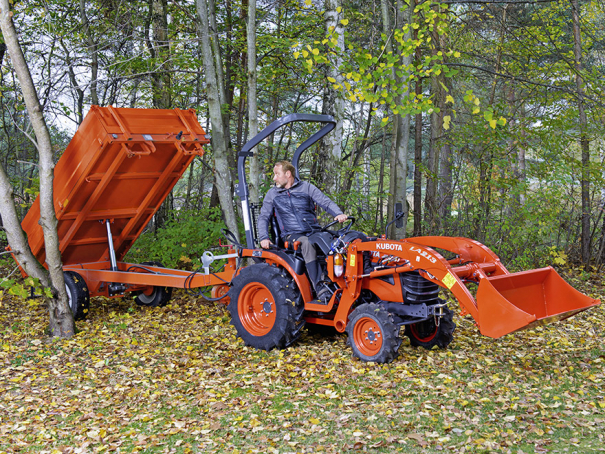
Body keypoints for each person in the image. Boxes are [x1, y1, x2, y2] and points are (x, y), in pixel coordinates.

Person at [257, 160, 348, 303]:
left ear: (288, 174)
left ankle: (341, 281)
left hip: (312, 231)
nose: (274, 178)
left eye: (276, 174)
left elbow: (324, 201)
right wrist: (263, 237)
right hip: (291, 234)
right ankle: (320, 288)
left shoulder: (306, 187)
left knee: (338, 241)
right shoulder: (272, 194)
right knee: (306, 243)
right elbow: (263, 217)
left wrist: (338, 213)